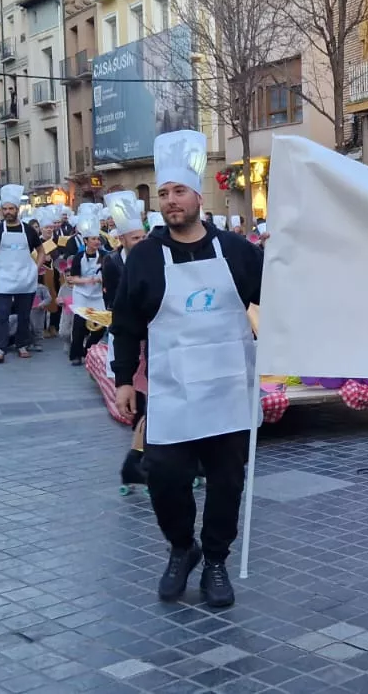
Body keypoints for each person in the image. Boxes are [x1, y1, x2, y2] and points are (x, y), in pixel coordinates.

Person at [110, 130, 264, 608]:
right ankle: (183, 547)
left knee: (226, 485)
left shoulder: (238, 252)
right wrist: (121, 381)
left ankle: (216, 560)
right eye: (164, 194)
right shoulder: (144, 257)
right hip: (173, 394)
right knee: (164, 479)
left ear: (199, 196)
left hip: (228, 392)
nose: (171, 202)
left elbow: (271, 304)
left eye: (179, 192)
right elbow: (126, 324)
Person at [0, 185, 45, 363]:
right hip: (2, 280)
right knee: (2, 314)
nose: (8, 212)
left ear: (17, 209)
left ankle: (22, 345)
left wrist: (35, 268)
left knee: (24, 315)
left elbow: (41, 252)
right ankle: (0, 348)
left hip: (25, 279)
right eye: (5, 209)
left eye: (11, 208)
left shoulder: (29, 231)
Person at [67, 220, 108, 366]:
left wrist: (100, 280)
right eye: (93, 239)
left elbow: (109, 275)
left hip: (97, 295)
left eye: (98, 239)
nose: (97, 241)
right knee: (79, 325)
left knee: (100, 324)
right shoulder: (78, 257)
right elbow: (73, 278)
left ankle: (89, 349)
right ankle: (76, 355)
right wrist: (87, 280)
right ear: (85, 241)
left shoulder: (105, 256)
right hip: (82, 294)